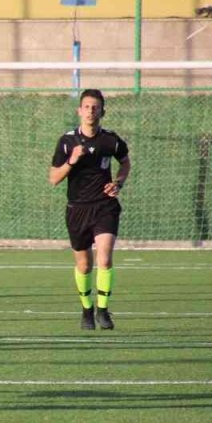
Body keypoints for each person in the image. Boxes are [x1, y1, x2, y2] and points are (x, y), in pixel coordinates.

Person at [48, 89, 131, 331]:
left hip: (105, 206)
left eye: (95, 107)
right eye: (86, 106)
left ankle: (103, 310)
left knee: (104, 258)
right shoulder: (67, 142)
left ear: (102, 111)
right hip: (77, 209)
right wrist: (72, 160)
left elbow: (125, 162)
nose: (91, 111)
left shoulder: (111, 140)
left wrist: (118, 183)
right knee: (84, 265)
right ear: (79, 111)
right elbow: (53, 178)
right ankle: (87, 310)